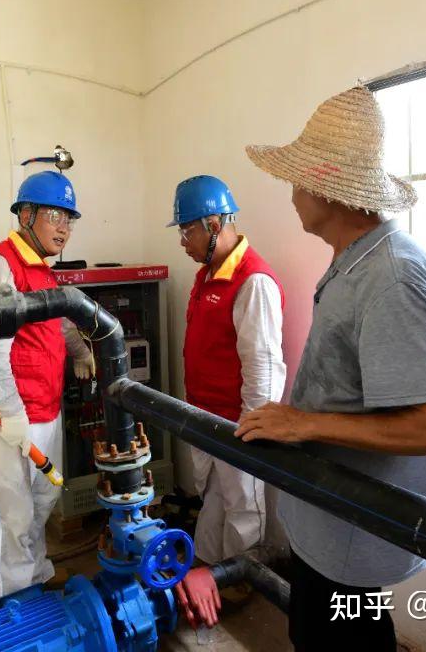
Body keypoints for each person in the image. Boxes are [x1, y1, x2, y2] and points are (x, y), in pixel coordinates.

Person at [237, 86, 426, 651]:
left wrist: (302, 423)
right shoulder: (352, 261)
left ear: (324, 184)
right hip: (329, 518)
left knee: (345, 639)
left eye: (297, 180)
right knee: (317, 631)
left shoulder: (392, 277)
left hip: (352, 535)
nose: (292, 194)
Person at [0, 170, 95, 612]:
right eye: (55, 215)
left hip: (43, 410)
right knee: (10, 517)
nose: (64, 228)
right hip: (5, 419)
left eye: (69, 219)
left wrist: (79, 351)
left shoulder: (41, 271)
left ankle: (34, 582)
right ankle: (9, 610)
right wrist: (10, 412)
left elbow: (58, 319)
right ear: (26, 215)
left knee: (40, 502)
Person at [169, 175, 286, 564]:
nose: (182, 242)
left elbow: (262, 368)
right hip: (205, 417)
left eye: (187, 231)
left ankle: (243, 578)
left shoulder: (253, 282)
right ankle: (207, 569)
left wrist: (250, 430)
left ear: (214, 224)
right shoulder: (207, 275)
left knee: (243, 508)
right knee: (214, 497)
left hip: (237, 424)